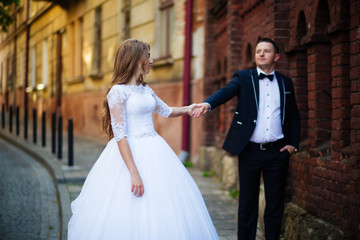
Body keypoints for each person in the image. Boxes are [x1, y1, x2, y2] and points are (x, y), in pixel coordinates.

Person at [68, 39, 219, 240]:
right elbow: (120, 135)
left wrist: (189, 109)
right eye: (148, 55)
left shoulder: (145, 89)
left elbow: (166, 110)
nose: (152, 60)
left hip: (155, 148)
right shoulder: (118, 92)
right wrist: (134, 172)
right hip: (128, 154)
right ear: (136, 59)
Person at [191, 38, 300, 240]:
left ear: (276, 57)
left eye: (266, 51)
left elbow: (293, 114)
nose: (261, 54)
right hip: (250, 151)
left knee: (275, 203)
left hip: (278, 152)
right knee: (247, 203)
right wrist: (207, 104)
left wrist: (293, 143)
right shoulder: (243, 78)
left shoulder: (286, 83)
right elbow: (225, 93)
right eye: (258, 50)